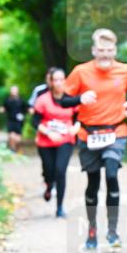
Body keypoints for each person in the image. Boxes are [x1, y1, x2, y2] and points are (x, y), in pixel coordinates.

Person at [63, 28, 127, 250]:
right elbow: (64, 100)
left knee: (112, 173)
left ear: (115, 50)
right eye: (101, 50)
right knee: (93, 182)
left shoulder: (125, 70)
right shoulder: (80, 71)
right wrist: (79, 98)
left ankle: (113, 232)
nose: (105, 54)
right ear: (94, 50)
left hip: (116, 131)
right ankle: (92, 231)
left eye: (110, 50)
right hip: (89, 134)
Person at [33, 68, 80, 218]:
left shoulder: (72, 99)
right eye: (56, 80)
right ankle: (48, 184)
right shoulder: (43, 99)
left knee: (60, 171)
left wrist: (76, 127)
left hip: (65, 140)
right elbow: (35, 121)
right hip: (46, 141)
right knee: (49, 171)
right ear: (51, 82)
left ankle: (59, 207)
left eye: (61, 79)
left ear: (65, 80)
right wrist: (49, 133)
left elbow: (80, 117)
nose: (59, 82)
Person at [0, 86, 26, 152]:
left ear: (17, 91)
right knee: (11, 136)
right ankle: (12, 150)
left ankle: (17, 148)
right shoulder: (7, 100)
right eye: (12, 90)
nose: (13, 91)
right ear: (10, 91)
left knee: (18, 139)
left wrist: (30, 110)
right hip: (10, 120)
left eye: (15, 90)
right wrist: (2, 109)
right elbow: (3, 107)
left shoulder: (21, 100)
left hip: (19, 121)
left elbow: (26, 108)